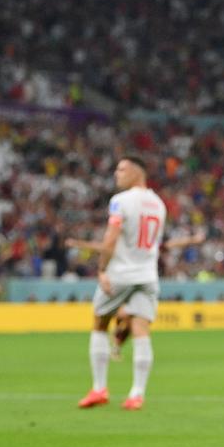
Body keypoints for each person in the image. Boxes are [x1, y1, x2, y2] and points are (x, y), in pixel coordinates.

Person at [77, 156, 167, 411]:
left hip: (121, 272)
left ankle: (99, 388)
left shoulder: (121, 201)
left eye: (122, 169)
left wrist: (102, 269)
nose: (117, 173)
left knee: (100, 322)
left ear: (137, 172)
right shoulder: (159, 204)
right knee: (140, 330)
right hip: (148, 273)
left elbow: (110, 239)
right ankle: (137, 394)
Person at [65, 231, 206, 360]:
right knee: (117, 319)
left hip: (136, 288)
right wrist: (78, 244)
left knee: (131, 322)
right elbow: (99, 247)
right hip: (118, 287)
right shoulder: (122, 247)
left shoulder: (147, 248)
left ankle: (116, 345)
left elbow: (171, 244)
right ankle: (112, 344)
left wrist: (193, 239)